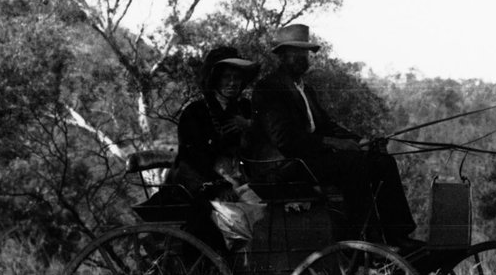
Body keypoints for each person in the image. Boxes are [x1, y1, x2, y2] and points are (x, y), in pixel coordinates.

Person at [249, 22, 417, 245]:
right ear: (282, 55)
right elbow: (284, 139)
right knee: (352, 163)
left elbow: (327, 125)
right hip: (282, 166)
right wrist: (334, 143)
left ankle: (399, 235)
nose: (301, 57)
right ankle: (360, 239)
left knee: (381, 161)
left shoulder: (305, 89)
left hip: (307, 161)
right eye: (295, 52)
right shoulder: (269, 88)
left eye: (305, 52)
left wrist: (360, 140)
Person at [168, 45, 260, 202]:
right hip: (204, 183)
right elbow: (191, 159)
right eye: (226, 77)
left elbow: (261, 143)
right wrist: (219, 186)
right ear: (215, 79)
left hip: (243, 179)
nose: (232, 83)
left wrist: (249, 127)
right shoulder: (195, 112)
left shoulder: (246, 107)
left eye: (237, 77)